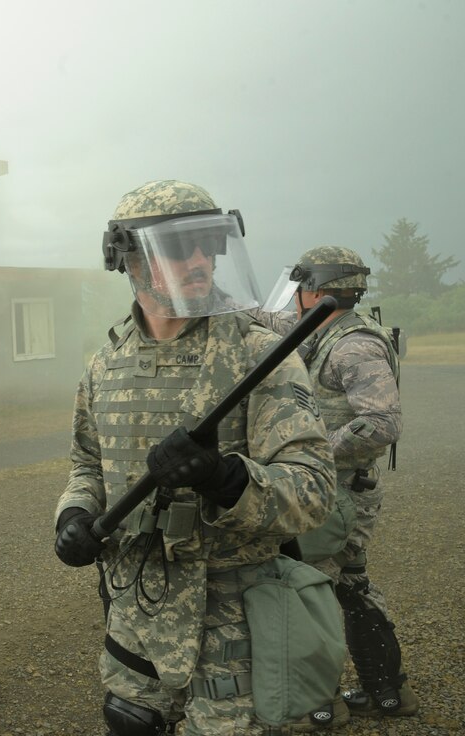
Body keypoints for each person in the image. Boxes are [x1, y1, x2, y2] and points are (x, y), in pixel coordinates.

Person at [53, 180, 336, 735]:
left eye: (208, 244)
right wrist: (72, 517)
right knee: (129, 720)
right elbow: (87, 464)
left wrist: (224, 477)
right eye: (179, 248)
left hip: (231, 615)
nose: (200, 259)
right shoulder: (105, 366)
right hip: (133, 602)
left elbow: (314, 489)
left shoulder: (258, 352)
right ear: (128, 259)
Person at [257, 246, 415, 721]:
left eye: (300, 288)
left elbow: (382, 422)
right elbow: (268, 321)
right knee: (351, 587)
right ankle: (387, 692)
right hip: (336, 488)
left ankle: (316, 705)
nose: (295, 298)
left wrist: (313, 446)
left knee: (309, 591)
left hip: (339, 492)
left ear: (315, 290)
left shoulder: (353, 345)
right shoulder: (320, 329)